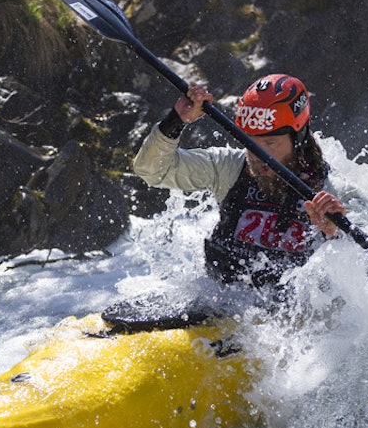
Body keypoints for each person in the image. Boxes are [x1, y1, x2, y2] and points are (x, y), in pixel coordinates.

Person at [133, 74, 347, 289]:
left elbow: (367, 274)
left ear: (299, 137)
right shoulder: (227, 167)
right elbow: (151, 171)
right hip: (224, 305)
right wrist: (176, 120)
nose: (258, 155)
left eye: (270, 142)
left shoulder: (336, 192)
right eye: (250, 142)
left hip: (296, 317)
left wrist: (335, 234)